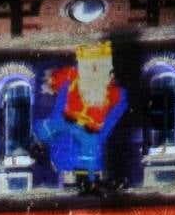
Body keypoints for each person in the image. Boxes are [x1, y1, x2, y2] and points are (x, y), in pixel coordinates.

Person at [35, 40, 128, 188]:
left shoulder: (115, 94)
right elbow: (57, 113)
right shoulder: (72, 83)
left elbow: (112, 119)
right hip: (73, 148)